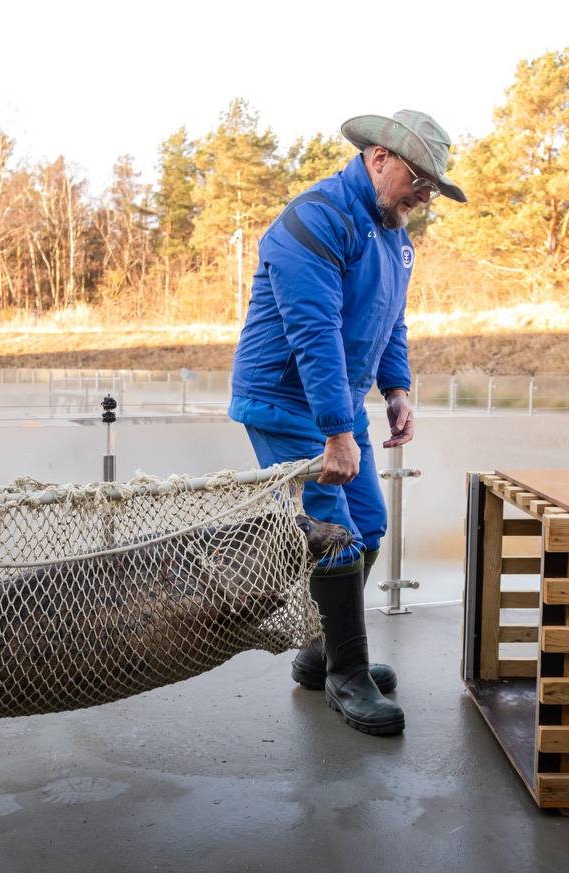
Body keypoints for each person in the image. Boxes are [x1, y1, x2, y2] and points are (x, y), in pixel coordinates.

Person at [229, 110, 465, 737]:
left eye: (433, 189)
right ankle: (346, 674)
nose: (423, 195)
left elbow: (391, 320)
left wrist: (397, 388)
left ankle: (323, 652)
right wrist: (337, 430)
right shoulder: (314, 220)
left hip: (338, 402)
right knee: (336, 529)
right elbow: (315, 333)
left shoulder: (394, 235)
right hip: (285, 401)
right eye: (418, 178)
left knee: (373, 525)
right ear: (378, 157)